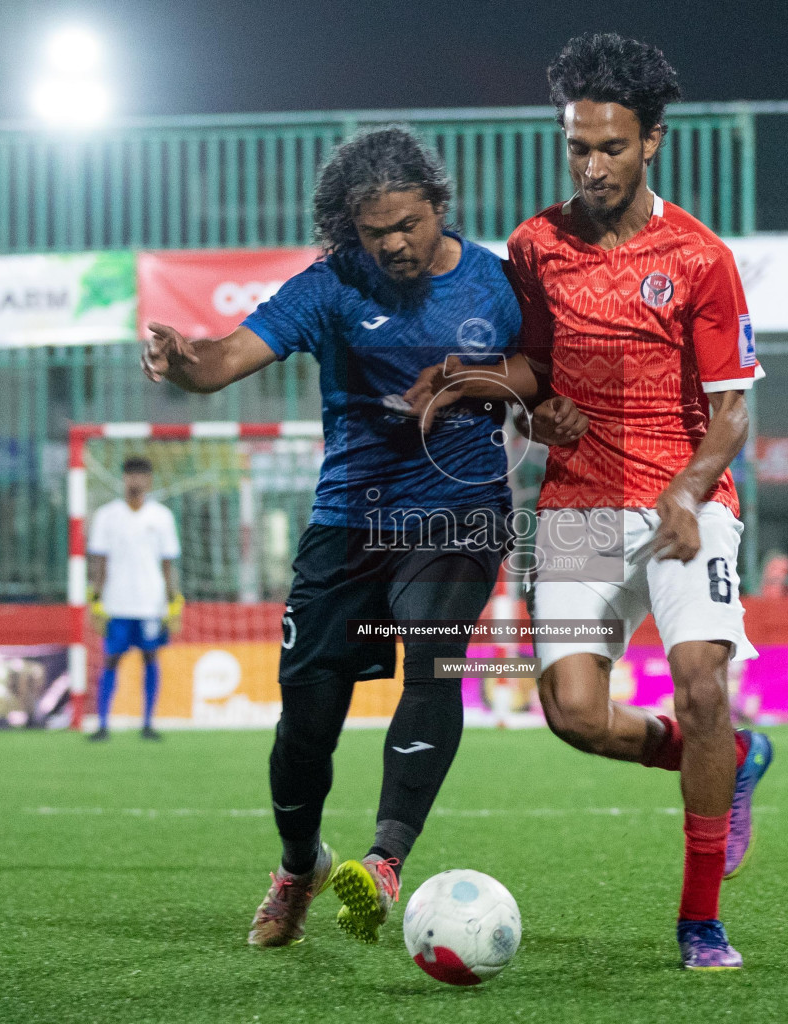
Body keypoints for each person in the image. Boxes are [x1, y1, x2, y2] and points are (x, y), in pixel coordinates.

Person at [406, 34, 772, 971]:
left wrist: (688, 491)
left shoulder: (699, 258)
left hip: (686, 505)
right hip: (575, 511)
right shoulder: (537, 245)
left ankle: (700, 924)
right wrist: (488, 383)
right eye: (578, 147)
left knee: (700, 686)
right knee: (572, 714)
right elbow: (536, 364)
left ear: (652, 142)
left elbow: (731, 411)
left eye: (611, 147)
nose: (592, 165)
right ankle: (727, 762)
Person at [141, 127, 522, 948]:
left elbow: (542, 372)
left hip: (459, 511)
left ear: (438, 207)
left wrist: (472, 385)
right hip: (348, 521)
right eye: (375, 231)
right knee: (306, 719)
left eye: (408, 224)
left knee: (433, 652)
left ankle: (383, 862)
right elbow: (222, 360)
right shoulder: (329, 286)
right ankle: (298, 865)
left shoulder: (495, 282)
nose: (394, 244)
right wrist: (182, 360)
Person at [86, 456, 183, 742]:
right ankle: (103, 724)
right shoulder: (106, 516)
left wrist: (173, 602)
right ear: (124, 479)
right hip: (117, 602)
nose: (136, 480)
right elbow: (99, 564)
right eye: (131, 475)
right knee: (111, 659)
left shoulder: (162, 517)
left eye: (142, 475)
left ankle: (148, 723)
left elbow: (168, 565)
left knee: (150, 657)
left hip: (151, 602)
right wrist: (95, 600)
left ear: (149, 480)